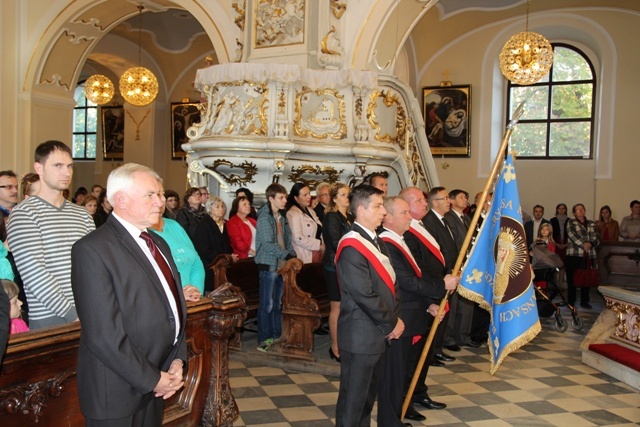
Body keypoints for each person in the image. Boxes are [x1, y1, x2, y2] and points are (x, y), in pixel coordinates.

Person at [71, 163, 187, 426]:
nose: (160, 201)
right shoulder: (93, 250)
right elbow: (103, 335)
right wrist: (153, 378)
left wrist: (177, 360)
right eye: (151, 195)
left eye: (160, 194)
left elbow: (173, 308)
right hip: (116, 390)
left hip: (157, 378)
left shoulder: (158, 242)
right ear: (121, 199)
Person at [334, 185, 404, 427]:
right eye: (378, 206)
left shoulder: (375, 240)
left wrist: (395, 318)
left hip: (375, 334)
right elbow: (364, 294)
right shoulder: (352, 245)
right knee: (353, 404)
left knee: (366, 402)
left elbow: (389, 285)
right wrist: (392, 322)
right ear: (361, 210)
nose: (383, 211)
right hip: (361, 336)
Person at [7, 140, 95, 329]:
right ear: (39, 168)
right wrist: (72, 314)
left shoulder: (83, 215)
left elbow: (96, 266)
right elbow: (34, 273)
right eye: (58, 166)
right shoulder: (24, 214)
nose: (67, 172)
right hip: (52, 317)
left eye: (70, 166)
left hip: (89, 312)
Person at [379, 196, 444, 425]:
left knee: (402, 373)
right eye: (404, 213)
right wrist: (442, 286)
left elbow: (415, 275)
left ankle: (395, 417)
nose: (409, 217)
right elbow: (406, 282)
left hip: (413, 314)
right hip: (400, 317)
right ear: (388, 217)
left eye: (408, 212)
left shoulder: (400, 239)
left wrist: (430, 303)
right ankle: (389, 421)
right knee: (393, 376)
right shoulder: (387, 243)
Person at [399, 186, 458, 411]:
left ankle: (419, 391)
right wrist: (439, 286)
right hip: (424, 297)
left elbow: (438, 257)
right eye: (418, 201)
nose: (424, 203)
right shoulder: (407, 234)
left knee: (425, 352)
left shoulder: (421, 226)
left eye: (424, 200)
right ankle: (407, 397)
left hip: (435, 293)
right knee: (414, 355)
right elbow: (418, 269)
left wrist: (447, 276)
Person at [254, 183, 297, 352]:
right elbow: (267, 243)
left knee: (277, 303)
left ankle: (277, 335)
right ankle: (264, 339)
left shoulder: (282, 217)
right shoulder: (265, 217)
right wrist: (286, 255)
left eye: (285, 197)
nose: (285, 200)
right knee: (267, 304)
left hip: (281, 265)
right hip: (268, 264)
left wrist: (292, 254)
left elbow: (287, 239)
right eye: (281, 197)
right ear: (271, 198)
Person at [423, 187, 458, 359]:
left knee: (444, 312)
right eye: (445, 198)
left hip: (449, 273)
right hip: (438, 276)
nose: (449, 201)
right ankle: (432, 351)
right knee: (437, 313)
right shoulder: (429, 221)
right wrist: (446, 272)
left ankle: (437, 348)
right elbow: (435, 251)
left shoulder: (445, 220)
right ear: (435, 202)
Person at [443, 189, 480, 349]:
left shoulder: (466, 217)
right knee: (455, 303)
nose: (465, 200)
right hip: (458, 264)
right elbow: (455, 242)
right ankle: (449, 337)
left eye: (466, 197)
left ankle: (463, 335)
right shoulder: (449, 218)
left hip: (469, 266)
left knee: (467, 302)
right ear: (451, 200)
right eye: (461, 197)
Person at [321, 182, 352, 362]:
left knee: (345, 306)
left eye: (347, 194)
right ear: (334, 199)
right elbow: (335, 241)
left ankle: (344, 343)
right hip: (333, 266)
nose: (346, 197)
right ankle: (335, 347)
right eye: (342, 194)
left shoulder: (348, 216)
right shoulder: (332, 217)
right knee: (337, 307)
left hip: (345, 265)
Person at [151, 208, 205, 303]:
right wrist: (180, 293)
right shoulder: (141, 233)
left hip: (193, 297)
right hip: (167, 301)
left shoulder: (174, 225)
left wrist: (196, 290)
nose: (161, 200)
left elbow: (196, 262)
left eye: (161, 194)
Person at [193, 197, 236, 292]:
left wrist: (230, 255)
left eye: (222, 206)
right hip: (210, 265)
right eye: (217, 207)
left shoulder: (222, 223)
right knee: (212, 293)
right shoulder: (204, 224)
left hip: (222, 265)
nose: (221, 209)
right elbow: (203, 249)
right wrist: (222, 258)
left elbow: (227, 244)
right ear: (210, 209)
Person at [565, 203, 600, 309]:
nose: (580, 211)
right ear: (574, 212)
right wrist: (583, 244)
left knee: (587, 278)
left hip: (589, 255)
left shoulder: (592, 224)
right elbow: (572, 235)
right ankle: (571, 301)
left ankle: (585, 301)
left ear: (585, 211)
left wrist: (590, 244)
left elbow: (597, 237)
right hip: (574, 255)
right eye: (577, 210)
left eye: (582, 209)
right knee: (572, 279)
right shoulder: (571, 222)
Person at [286, 183, 324, 264]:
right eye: (305, 195)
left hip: (317, 253)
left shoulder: (311, 211)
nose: (309, 197)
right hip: (303, 255)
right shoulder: (293, 213)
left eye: (309, 193)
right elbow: (298, 238)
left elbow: (320, 229)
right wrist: (319, 246)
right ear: (296, 198)